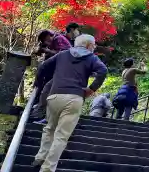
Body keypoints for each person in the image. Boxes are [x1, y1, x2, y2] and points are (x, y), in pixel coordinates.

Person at [32, 34, 107, 172]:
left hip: (54, 96)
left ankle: (40, 157)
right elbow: (103, 70)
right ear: (88, 45)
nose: (95, 47)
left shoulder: (63, 54)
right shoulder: (91, 57)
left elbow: (43, 66)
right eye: (94, 44)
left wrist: (38, 84)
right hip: (74, 98)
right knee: (61, 135)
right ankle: (47, 168)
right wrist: (91, 89)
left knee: (49, 128)